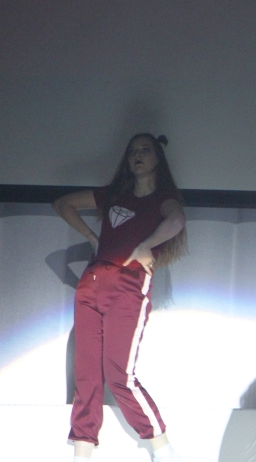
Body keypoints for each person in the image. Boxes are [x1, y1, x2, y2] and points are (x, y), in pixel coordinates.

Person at [53, 134, 187, 462]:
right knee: (86, 374)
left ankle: (162, 449)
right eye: (132, 151)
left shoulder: (163, 199)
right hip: (92, 283)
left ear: (157, 158)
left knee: (119, 376)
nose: (137, 155)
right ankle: (82, 453)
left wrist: (145, 246)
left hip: (128, 286)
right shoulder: (114, 195)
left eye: (145, 150)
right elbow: (63, 204)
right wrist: (91, 237)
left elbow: (176, 220)